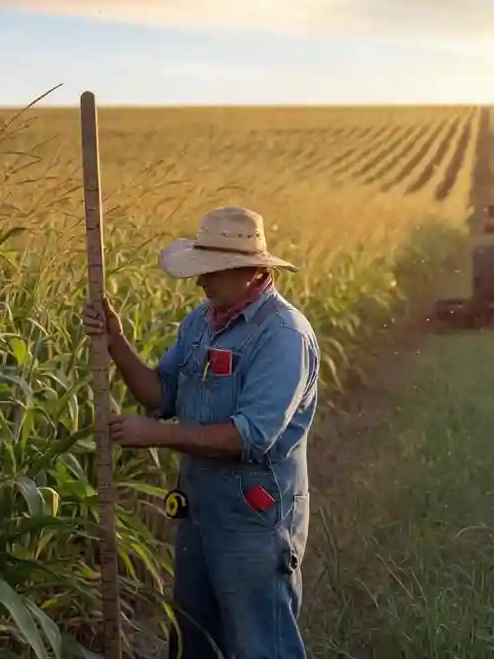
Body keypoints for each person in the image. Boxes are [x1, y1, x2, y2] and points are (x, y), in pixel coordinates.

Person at [83, 206, 319, 659]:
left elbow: (248, 437)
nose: (200, 281)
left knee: (259, 645)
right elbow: (160, 394)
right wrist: (115, 342)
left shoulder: (283, 337)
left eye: (210, 271)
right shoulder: (201, 321)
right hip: (198, 513)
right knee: (195, 641)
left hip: (255, 520)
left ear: (250, 272)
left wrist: (156, 435)